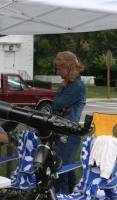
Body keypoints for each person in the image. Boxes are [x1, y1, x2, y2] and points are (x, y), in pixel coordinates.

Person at [51, 51, 86, 194]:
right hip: (65, 132)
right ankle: (73, 194)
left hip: (68, 134)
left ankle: (62, 196)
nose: (57, 71)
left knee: (60, 172)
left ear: (69, 67)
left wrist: (61, 87)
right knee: (68, 169)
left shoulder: (76, 87)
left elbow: (56, 105)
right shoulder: (72, 84)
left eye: (60, 68)